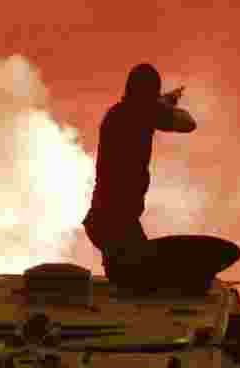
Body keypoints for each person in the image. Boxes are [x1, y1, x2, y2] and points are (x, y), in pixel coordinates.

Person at [82, 63, 197, 288]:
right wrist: (161, 106)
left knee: (132, 281)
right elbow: (188, 123)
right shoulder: (143, 114)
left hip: (105, 220)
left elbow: (145, 111)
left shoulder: (116, 114)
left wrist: (162, 103)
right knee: (143, 285)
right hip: (117, 223)